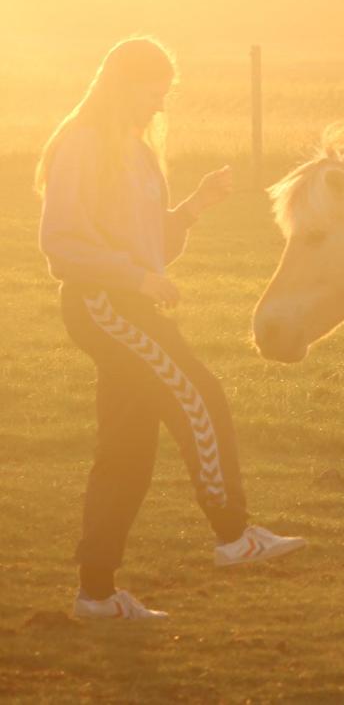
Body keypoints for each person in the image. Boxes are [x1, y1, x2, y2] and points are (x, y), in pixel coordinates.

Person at [36, 37, 305, 620]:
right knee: (198, 390)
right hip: (103, 307)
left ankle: (97, 595)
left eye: (165, 95)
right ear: (120, 85)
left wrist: (193, 207)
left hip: (128, 303)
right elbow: (60, 243)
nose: (159, 107)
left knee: (126, 452)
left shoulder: (133, 150)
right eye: (151, 94)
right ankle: (234, 536)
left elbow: (148, 242)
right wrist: (135, 279)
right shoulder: (81, 145)